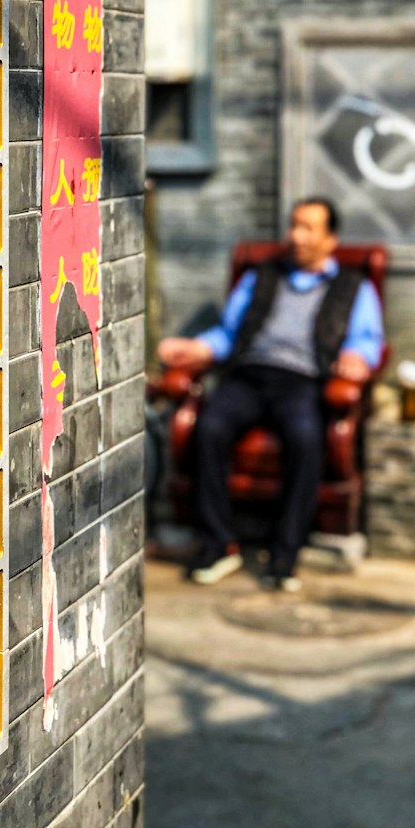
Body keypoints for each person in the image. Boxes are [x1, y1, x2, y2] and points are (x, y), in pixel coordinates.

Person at [158, 198, 385, 592]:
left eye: (309, 228)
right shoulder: (260, 276)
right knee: (209, 428)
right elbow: (229, 333)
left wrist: (356, 356)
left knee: (305, 438)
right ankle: (218, 544)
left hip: (303, 380)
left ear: (330, 239)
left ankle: (285, 553)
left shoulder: (354, 286)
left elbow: (369, 341)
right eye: (294, 226)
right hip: (249, 374)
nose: (297, 236)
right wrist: (197, 349)